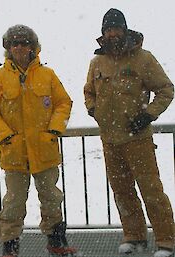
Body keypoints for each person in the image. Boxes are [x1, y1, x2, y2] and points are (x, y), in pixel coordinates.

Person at [84, 8, 175, 257]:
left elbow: (166, 89)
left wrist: (148, 114)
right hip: (110, 140)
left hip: (138, 140)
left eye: (116, 28)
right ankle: (134, 236)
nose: (112, 33)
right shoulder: (97, 62)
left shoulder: (143, 58)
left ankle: (166, 240)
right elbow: (88, 92)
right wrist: (93, 109)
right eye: (108, 29)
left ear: (124, 29)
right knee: (122, 191)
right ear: (103, 32)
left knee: (151, 191)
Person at [0, 24, 76, 257]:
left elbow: (63, 103)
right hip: (14, 154)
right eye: (15, 43)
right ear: (8, 48)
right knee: (13, 203)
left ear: (33, 47)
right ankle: (10, 247)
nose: (20, 47)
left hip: (45, 152)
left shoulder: (47, 74)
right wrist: (7, 137)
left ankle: (56, 241)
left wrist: (53, 131)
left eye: (24, 43)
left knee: (52, 198)